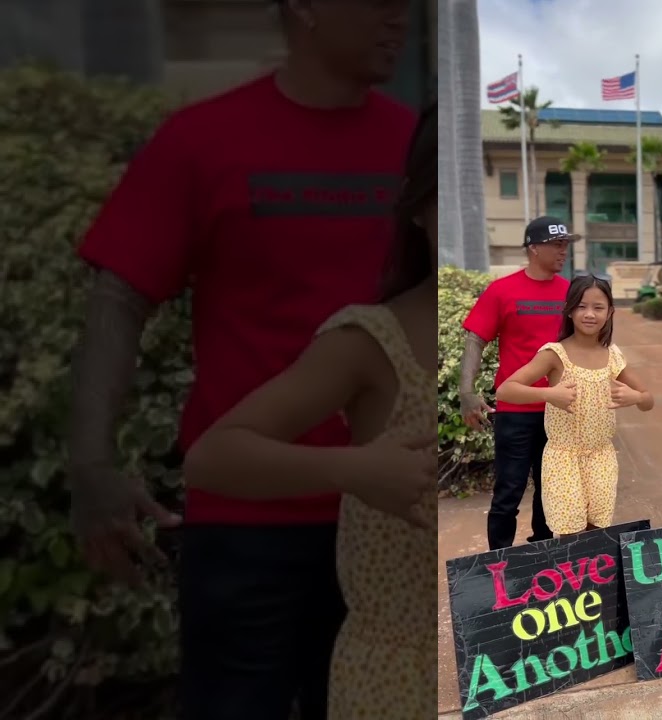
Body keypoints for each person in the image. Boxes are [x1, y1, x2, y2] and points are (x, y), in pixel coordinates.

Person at [66, 1, 417, 718]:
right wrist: (91, 465)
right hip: (249, 518)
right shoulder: (202, 140)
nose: (398, 18)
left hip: (389, 524)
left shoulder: (417, 146)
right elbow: (120, 296)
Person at [183, 106, 436, 720]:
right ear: (422, 207)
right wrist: (354, 470)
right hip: (394, 680)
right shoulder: (374, 340)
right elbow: (212, 457)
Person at [496, 275, 654, 535]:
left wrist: (636, 398)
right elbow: (506, 390)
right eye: (581, 306)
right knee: (570, 533)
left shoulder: (612, 355)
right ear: (569, 310)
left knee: (597, 532)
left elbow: (648, 399)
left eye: (598, 307)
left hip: (601, 456)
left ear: (610, 312)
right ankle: (572, 576)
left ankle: (591, 577)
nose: (589, 314)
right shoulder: (555, 353)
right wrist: (549, 394)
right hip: (563, 458)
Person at [460, 216, 575, 549]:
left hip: (558, 408)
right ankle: (499, 561)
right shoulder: (502, 290)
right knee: (508, 490)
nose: (563, 251)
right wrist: (466, 391)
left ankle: (541, 551)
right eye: (557, 244)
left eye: (566, 245)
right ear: (533, 248)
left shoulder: (570, 292)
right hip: (515, 410)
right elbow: (475, 338)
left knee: (550, 489)